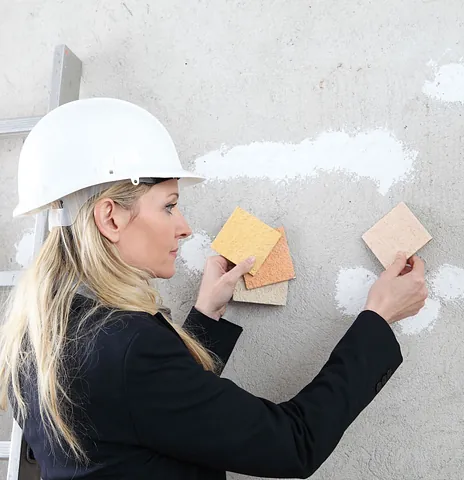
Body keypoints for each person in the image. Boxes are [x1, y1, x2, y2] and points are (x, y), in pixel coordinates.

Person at [0, 98, 428, 480]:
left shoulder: (38, 333)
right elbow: (294, 444)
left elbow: (149, 417)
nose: (184, 228)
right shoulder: (128, 347)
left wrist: (205, 318)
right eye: (169, 205)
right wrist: (378, 318)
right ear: (110, 218)